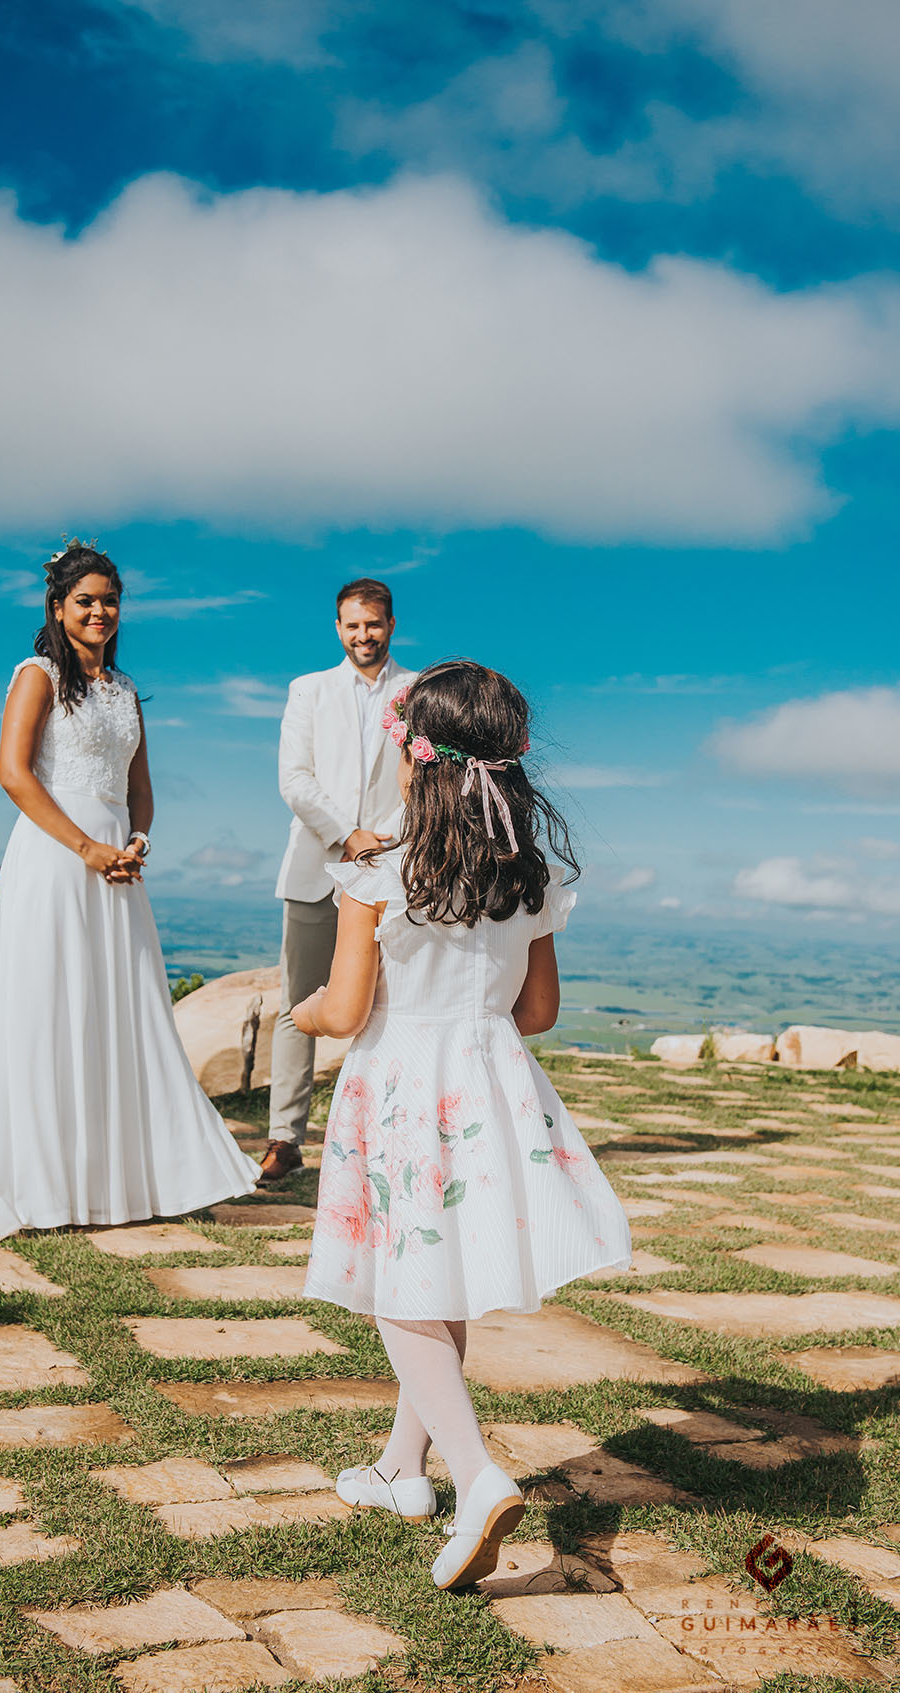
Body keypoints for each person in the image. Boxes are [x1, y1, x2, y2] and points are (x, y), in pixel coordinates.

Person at [293, 661, 631, 1591]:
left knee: (401, 1287)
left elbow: (353, 1006)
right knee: (434, 1273)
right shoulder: (528, 876)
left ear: (415, 760)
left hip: (401, 1084)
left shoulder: (379, 873)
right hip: (486, 1085)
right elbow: (539, 1012)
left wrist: (311, 1013)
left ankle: (479, 1475)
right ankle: (405, 1469)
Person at [0, 542, 259, 1240]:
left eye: (109, 598)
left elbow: (141, 792)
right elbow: (13, 774)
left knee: (122, 1012)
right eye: (85, 599)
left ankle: (130, 1177)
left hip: (117, 867)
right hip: (54, 859)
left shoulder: (126, 691)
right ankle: (46, 1184)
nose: (99, 610)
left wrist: (135, 844)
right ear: (59, 607)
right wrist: (86, 847)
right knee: (53, 1011)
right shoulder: (36, 675)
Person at [262, 578, 413, 1185]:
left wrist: (385, 840)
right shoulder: (308, 690)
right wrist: (347, 834)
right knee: (296, 1005)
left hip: (393, 870)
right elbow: (294, 779)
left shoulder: (417, 691)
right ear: (337, 627)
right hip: (312, 866)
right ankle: (284, 1138)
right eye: (352, 625)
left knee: (389, 1006)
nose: (363, 635)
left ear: (391, 625)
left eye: (373, 624)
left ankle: (381, 1136)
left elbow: (425, 778)